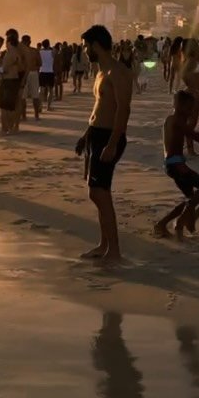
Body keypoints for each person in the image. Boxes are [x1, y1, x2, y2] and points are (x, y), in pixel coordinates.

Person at [75, 25, 132, 263]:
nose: (86, 50)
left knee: (101, 193)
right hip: (95, 135)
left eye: (87, 46)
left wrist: (112, 143)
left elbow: (123, 110)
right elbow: (100, 108)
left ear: (97, 45)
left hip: (109, 136)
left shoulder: (117, 72)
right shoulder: (100, 72)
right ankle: (103, 244)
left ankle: (114, 251)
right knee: (95, 193)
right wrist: (86, 135)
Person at [153, 91, 199, 240]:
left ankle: (162, 224)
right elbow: (198, 138)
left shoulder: (173, 120)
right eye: (190, 108)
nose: (192, 113)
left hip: (173, 164)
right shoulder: (176, 121)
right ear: (181, 106)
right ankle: (185, 219)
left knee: (189, 199)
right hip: (175, 164)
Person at [0, 29, 21, 134]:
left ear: (8, 42)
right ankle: (11, 127)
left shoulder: (9, 54)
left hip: (8, 81)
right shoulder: (17, 53)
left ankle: (5, 128)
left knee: (4, 107)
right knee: (11, 106)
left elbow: (5, 69)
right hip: (14, 80)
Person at [20, 35, 41, 121]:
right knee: (35, 95)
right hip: (33, 72)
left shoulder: (20, 52)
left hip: (24, 73)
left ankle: (24, 115)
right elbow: (40, 63)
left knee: (23, 96)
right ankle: (36, 115)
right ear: (30, 42)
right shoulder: (34, 51)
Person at [39, 39, 55, 111]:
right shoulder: (52, 52)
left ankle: (40, 106)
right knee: (50, 90)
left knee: (41, 90)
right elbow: (55, 57)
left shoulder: (40, 52)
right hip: (50, 72)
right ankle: (48, 106)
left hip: (42, 71)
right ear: (48, 44)